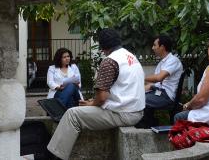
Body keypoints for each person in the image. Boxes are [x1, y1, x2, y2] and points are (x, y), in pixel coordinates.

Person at [47, 28, 145, 160]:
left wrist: (92, 103)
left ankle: (54, 156)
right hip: (136, 111)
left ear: (103, 47)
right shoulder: (130, 56)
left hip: (123, 114)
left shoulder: (110, 61)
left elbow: (102, 98)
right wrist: (93, 102)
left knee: (72, 114)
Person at [174, 30, 209, 133]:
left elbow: (201, 100)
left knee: (178, 117)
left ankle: (188, 149)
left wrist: (188, 105)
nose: (208, 50)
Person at [136, 34, 183, 128]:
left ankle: (147, 125)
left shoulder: (173, 61)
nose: (152, 48)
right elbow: (154, 83)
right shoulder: (163, 62)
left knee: (140, 99)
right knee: (136, 95)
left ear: (162, 47)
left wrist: (141, 77)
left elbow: (159, 78)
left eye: (154, 45)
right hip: (159, 92)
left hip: (166, 96)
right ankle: (150, 123)